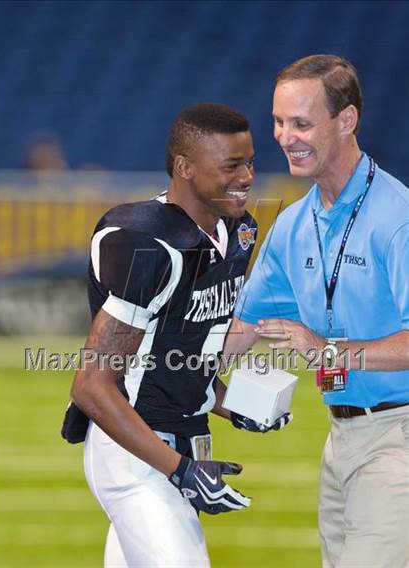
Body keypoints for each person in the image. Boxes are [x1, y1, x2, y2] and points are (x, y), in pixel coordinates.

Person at [61, 103, 291, 568]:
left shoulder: (238, 230)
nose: (247, 176)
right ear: (185, 168)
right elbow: (91, 386)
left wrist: (236, 407)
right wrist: (181, 471)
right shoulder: (147, 242)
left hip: (181, 442)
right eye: (231, 165)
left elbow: (182, 358)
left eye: (249, 162)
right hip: (135, 452)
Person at [223, 55, 409, 568]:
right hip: (340, 439)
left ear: (346, 121)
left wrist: (325, 350)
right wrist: (179, 385)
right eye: (279, 122)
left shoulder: (398, 219)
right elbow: (245, 323)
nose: (285, 137)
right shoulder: (293, 224)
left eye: (301, 123)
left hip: (399, 442)